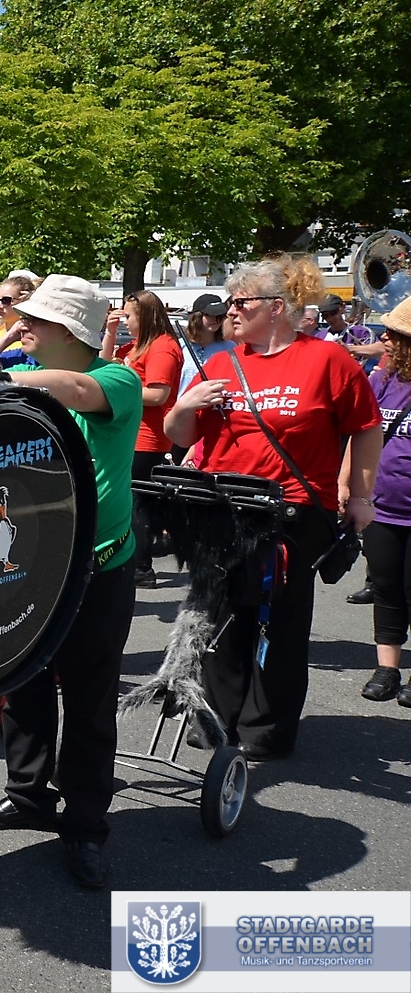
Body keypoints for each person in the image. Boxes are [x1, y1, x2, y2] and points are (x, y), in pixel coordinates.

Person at [0, 275, 142, 890]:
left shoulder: (116, 379)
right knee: (24, 685)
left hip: (99, 567)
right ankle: (28, 795)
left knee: (89, 699)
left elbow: (77, 388)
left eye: (34, 318)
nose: (21, 324)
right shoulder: (29, 376)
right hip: (38, 566)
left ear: (68, 329)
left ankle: (86, 825)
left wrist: (3, 376)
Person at [165, 255, 381, 761]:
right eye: (230, 303)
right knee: (218, 617)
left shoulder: (327, 360)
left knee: (279, 621)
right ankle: (215, 718)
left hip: (293, 511)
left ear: (276, 307)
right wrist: (186, 406)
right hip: (222, 507)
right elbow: (181, 436)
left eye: (241, 303)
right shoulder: (222, 363)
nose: (230, 311)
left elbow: (366, 428)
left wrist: (360, 495)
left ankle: (265, 728)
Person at [108, 290, 183, 588]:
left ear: (146, 316)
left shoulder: (162, 347)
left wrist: (119, 393)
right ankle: (137, 563)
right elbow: (102, 368)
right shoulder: (136, 346)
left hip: (147, 437)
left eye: (128, 316)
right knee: (134, 501)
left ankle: (140, 568)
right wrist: (109, 334)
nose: (124, 321)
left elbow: (158, 394)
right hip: (129, 433)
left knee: (137, 502)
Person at [357, 297, 411, 705]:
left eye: (394, 334)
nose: (385, 338)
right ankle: (387, 669)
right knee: (386, 586)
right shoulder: (382, 381)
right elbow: (359, 434)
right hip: (383, 507)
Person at [177, 293, 234, 397]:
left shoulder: (230, 348)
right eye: (210, 315)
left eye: (219, 315)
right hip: (182, 404)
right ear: (197, 317)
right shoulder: (179, 346)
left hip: (215, 404)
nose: (216, 319)